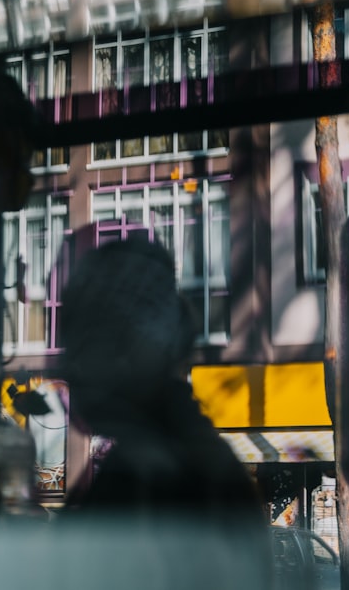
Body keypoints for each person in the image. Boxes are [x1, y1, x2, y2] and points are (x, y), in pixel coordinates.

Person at [53, 237, 272, 590]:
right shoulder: (178, 455)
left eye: (82, 344)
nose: (68, 367)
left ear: (129, 349)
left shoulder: (154, 474)